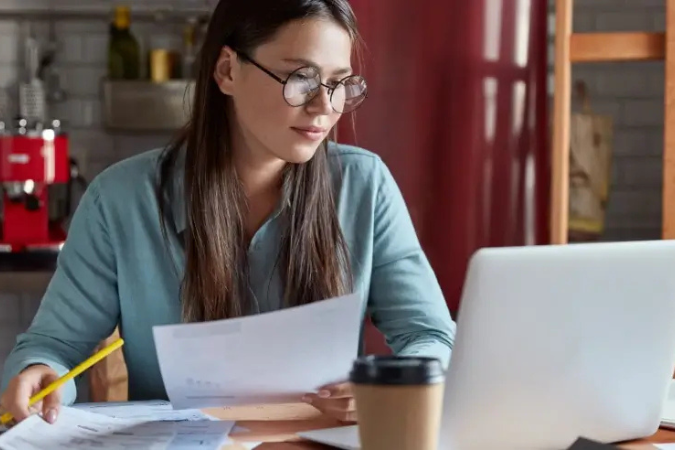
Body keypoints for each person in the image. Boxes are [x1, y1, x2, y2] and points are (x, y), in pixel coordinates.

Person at [0, 0, 455, 426]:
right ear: (227, 70)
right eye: (302, 80)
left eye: (339, 84)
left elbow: (432, 335)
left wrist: (394, 382)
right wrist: (37, 371)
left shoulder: (364, 186)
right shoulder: (119, 200)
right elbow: (54, 346)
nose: (325, 107)